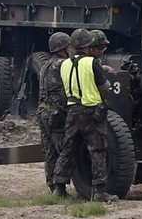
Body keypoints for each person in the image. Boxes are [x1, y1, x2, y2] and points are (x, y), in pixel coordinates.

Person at [52, 28, 117, 203]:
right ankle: (100, 190)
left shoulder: (64, 64)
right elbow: (104, 87)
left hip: (73, 111)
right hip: (91, 110)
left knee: (68, 148)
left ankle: (59, 187)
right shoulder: (92, 62)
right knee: (97, 149)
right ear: (88, 45)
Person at [33, 32, 72, 196]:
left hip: (43, 112)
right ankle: (59, 187)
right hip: (56, 113)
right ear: (63, 49)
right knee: (66, 148)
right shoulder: (63, 64)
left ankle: (51, 184)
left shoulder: (46, 65)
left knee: (49, 150)